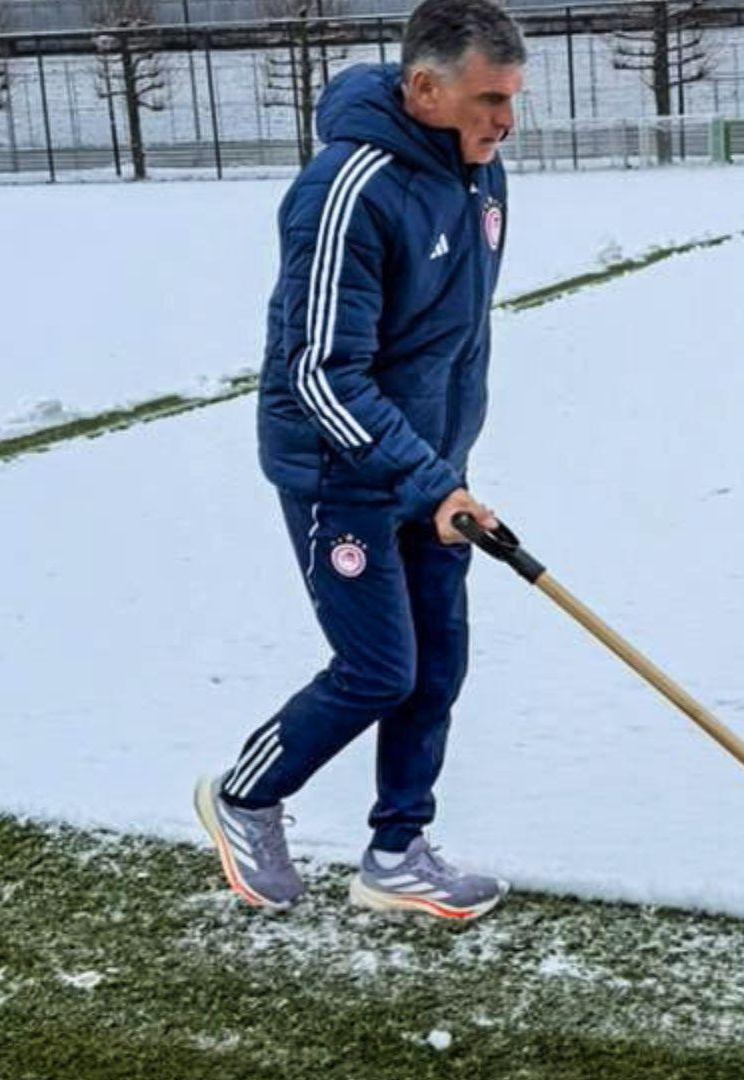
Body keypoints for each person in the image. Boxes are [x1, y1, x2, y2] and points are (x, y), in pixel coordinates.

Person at [195, 0, 526, 922]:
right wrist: (428, 478)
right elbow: (319, 369)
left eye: (512, 98)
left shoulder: (479, 177)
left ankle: (396, 852)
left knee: (438, 663)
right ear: (425, 88)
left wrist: (445, 470)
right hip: (338, 468)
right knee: (380, 668)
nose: (506, 121)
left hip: (428, 466)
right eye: (489, 99)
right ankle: (245, 796)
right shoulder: (346, 189)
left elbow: (448, 341)